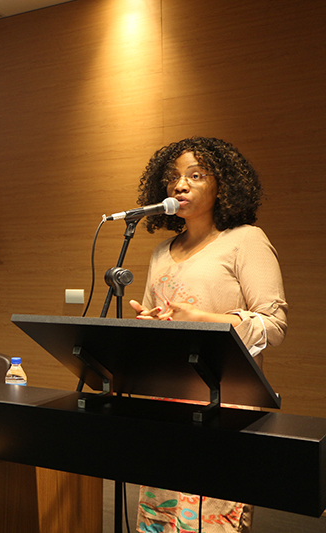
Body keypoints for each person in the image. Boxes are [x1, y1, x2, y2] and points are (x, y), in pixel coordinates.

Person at [128, 137, 288, 533]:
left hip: (224, 403)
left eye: (196, 175)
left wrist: (205, 318)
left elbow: (274, 324)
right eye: (173, 178)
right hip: (167, 402)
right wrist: (149, 323)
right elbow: (158, 317)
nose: (180, 185)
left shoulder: (245, 240)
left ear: (223, 185)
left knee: (211, 519)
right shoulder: (160, 252)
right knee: (161, 516)